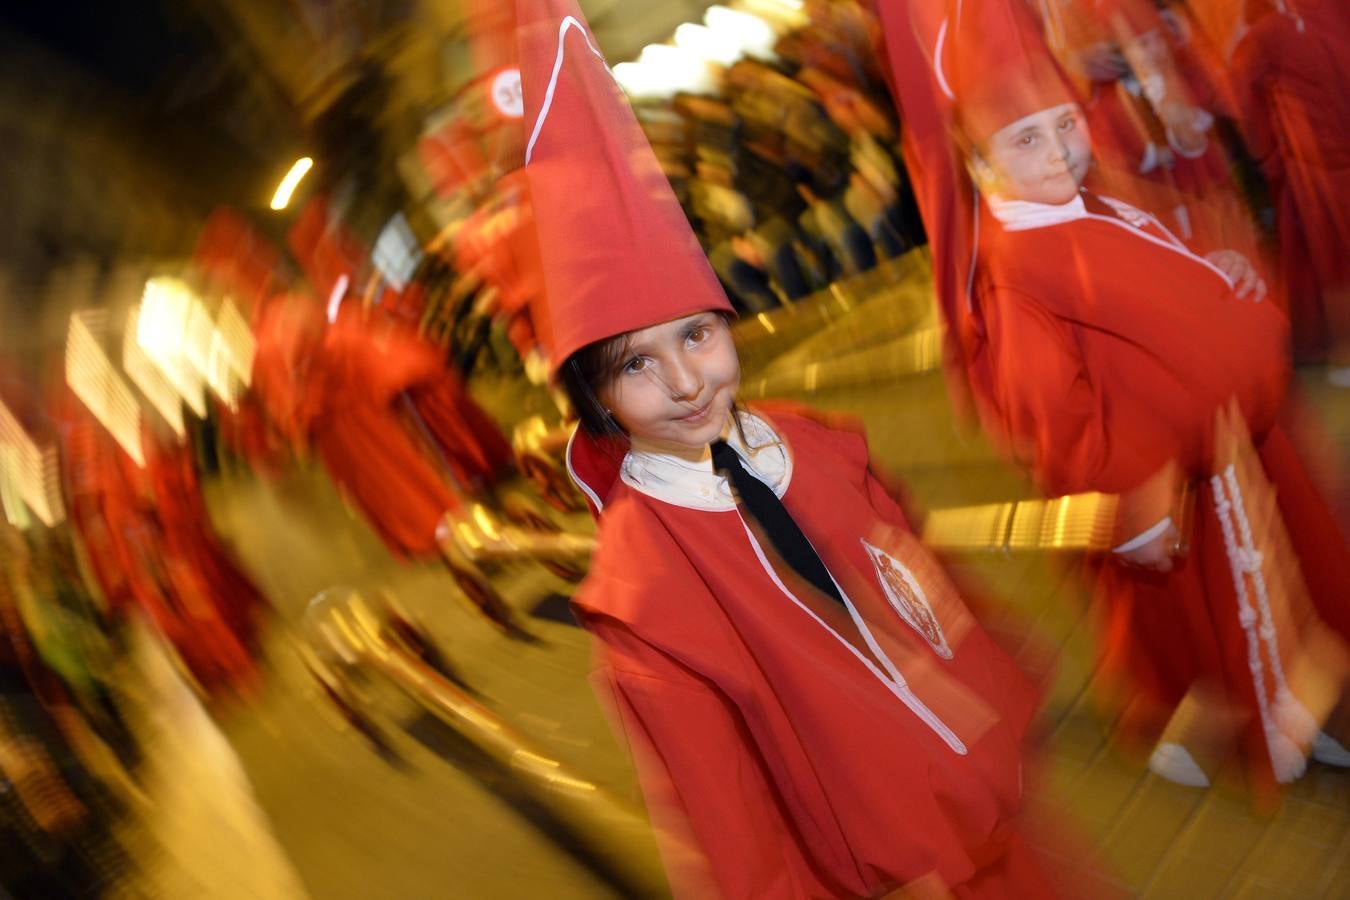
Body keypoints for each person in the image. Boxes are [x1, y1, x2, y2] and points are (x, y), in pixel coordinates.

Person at [514, 1, 1094, 895]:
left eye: (699, 335)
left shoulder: (812, 442)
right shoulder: (647, 600)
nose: (685, 382)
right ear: (593, 399)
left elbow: (922, 569)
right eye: (636, 363)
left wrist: (1002, 687)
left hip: (994, 802)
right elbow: (723, 815)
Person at [881, 0, 1350, 790]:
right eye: (1027, 138)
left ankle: (1279, 708)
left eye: (1066, 124)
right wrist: (1130, 483)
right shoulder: (1016, 267)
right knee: (1233, 611)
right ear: (982, 163)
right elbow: (1051, 408)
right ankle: (1265, 723)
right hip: (1166, 474)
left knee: (1258, 593)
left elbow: (1163, 262)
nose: (1062, 149)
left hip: (1219, 454)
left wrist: (1217, 278)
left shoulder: (1087, 200)